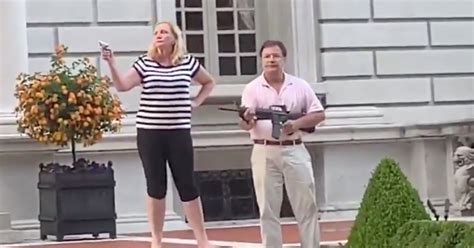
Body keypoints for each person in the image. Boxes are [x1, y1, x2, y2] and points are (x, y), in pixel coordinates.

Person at [101, 21, 215, 248]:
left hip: (179, 132)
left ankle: (202, 239)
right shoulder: (145, 63)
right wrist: (111, 63)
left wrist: (196, 102)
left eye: (164, 32)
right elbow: (123, 86)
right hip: (150, 133)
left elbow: (209, 82)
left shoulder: (188, 63)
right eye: (156, 33)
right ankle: (157, 239)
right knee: (156, 186)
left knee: (187, 185)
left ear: (174, 38)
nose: (159, 35)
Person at [239, 40, 325, 248]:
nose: (271, 60)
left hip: (294, 149)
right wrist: (247, 118)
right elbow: (244, 124)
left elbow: (318, 114)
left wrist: (296, 124)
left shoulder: (300, 85)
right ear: (261, 60)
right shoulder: (252, 88)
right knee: (267, 209)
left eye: (275, 56)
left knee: (307, 206)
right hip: (264, 151)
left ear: (283, 59)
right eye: (267, 56)